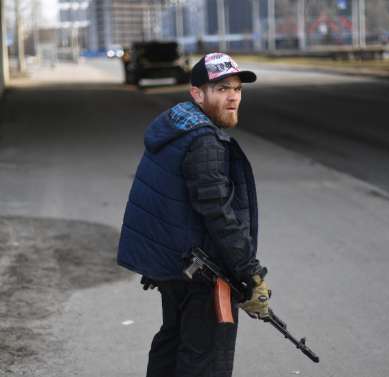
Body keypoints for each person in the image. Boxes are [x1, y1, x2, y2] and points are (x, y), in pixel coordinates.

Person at [117, 52, 270, 377]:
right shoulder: (204, 143)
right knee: (205, 360)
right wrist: (251, 274)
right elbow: (218, 214)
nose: (233, 97)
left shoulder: (178, 130)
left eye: (237, 89)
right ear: (197, 94)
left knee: (173, 345)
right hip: (201, 273)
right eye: (222, 89)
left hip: (176, 268)